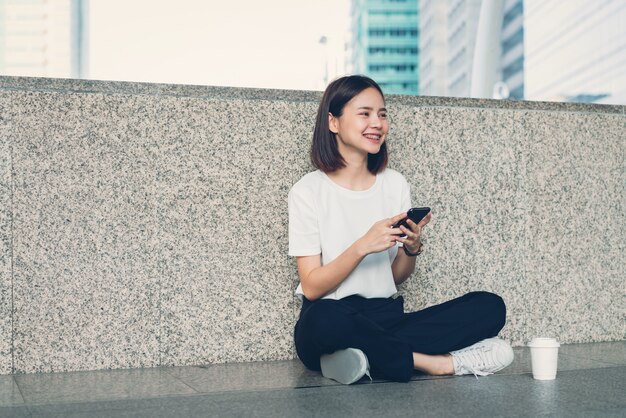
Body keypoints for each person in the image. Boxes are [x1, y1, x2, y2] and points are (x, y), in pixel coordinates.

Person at [288, 75, 514, 384]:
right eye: (364, 113)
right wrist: (363, 245)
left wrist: (411, 247)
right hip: (333, 316)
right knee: (323, 320)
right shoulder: (307, 191)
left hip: (386, 318)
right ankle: (433, 363)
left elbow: (394, 277)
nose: (377, 123)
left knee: (489, 306)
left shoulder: (394, 184)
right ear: (334, 122)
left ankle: (362, 358)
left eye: (382, 114)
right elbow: (313, 287)